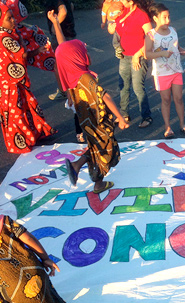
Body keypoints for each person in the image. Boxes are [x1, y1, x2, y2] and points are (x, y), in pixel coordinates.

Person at [56, 40, 131, 194]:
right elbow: (105, 96)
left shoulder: (72, 78)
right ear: (77, 57)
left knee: (96, 147)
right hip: (98, 121)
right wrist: (120, 117)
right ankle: (91, 177)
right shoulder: (85, 78)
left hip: (87, 122)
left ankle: (84, 172)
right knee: (105, 149)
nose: (87, 54)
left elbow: (62, 49)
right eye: (84, 52)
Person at [0, 1, 59, 154]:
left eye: (13, 17)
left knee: (28, 105)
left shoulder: (9, 33)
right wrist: (34, 48)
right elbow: (23, 54)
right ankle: (20, 143)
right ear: (0, 21)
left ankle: (35, 134)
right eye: (9, 18)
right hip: (8, 83)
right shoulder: (4, 37)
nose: (13, 20)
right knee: (15, 112)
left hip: (14, 80)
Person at [144, 3, 185, 139]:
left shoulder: (173, 30)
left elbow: (177, 49)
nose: (168, 20)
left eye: (168, 17)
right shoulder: (151, 35)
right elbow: (147, 54)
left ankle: (182, 124)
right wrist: (162, 54)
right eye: (164, 17)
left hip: (176, 70)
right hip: (162, 73)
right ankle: (168, 127)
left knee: (179, 98)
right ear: (155, 18)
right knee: (166, 100)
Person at [115, 0, 155, 129]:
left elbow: (151, 37)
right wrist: (111, 27)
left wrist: (137, 55)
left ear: (131, 1)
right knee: (123, 86)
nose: (120, 1)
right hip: (125, 56)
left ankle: (146, 116)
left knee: (137, 87)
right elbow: (116, 26)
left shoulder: (141, 15)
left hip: (138, 57)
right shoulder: (124, 11)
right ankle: (124, 114)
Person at [45, 0, 77, 101]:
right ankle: (73, 90)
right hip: (69, 33)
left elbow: (63, 11)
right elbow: (71, 6)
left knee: (58, 66)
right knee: (71, 64)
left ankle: (65, 91)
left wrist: (55, 26)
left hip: (61, 35)